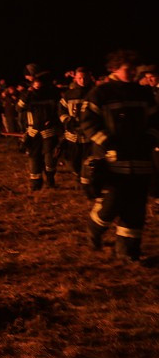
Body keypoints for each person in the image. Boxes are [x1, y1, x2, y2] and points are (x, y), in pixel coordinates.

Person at [82, 50, 159, 261]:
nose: (133, 72)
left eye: (135, 69)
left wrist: (150, 139)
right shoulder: (101, 93)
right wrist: (108, 142)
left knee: (135, 209)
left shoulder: (143, 93)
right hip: (112, 161)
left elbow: (155, 121)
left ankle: (128, 252)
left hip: (140, 161)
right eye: (128, 69)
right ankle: (94, 230)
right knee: (110, 205)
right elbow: (88, 123)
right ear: (113, 68)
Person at [18, 63, 62, 190]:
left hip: (49, 131)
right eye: (34, 81)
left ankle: (50, 179)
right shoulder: (27, 94)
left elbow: (59, 110)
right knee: (34, 157)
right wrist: (27, 94)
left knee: (50, 158)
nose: (37, 83)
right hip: (33, 132)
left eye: (39, 81)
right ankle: (36, 183)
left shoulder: (53, 92)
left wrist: (53, 120)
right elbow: (19, 108)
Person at [59, 67, 94, 196]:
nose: (82, 80)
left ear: (89, 77)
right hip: (72, 136)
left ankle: (86, 185)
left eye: (84, 78)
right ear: (75, 78)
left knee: (88, 161)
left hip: (89, 135)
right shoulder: (69, 94)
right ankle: (77, 175)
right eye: (79, 78)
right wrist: (67, 120)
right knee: (73, 161)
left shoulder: (94, 93)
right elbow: (61, 110)